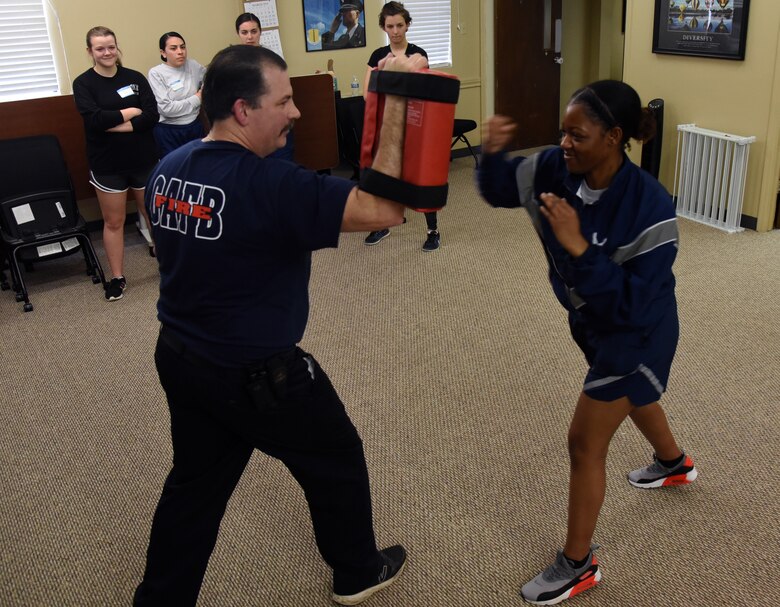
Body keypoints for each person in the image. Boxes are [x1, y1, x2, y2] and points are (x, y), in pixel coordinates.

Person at [134, 44, 429, 606]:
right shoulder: (273, 185)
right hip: (258, 376)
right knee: (337, 457)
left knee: (194, 486)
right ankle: (358, 572)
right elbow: (386, 210)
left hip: (180, 356)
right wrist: (394, 99)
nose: (295, 112)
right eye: (285, 100)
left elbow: (164, 230)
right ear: (243, 110)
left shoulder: (169, 169)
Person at [477, 80, 698, 605]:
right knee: (634, 395)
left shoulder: (651, 205)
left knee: (584, 441)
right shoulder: (557, 166)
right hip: (593, 324)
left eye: (578, 134)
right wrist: (490, 155)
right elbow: (500, 189)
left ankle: (578, 565)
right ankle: (674, 464)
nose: (565, 143)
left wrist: (579, 247)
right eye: (563, 132)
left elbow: (632, 304)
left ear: (615, 137)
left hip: (639, 332)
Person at [73, 26, 159, 301]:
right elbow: (95, 122)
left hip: (143, 159)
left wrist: (118, 122)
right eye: (100, 48)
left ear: (117, 47)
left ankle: (169, 266)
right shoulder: (83, 84)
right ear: (90, 52)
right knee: (114, 222)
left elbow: (152, 116)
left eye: (111, 46)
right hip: (108, 165)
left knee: (154, 215)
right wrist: (130, 111)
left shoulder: (135, 78)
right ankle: (117, 277)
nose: (107, 52)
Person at [362, 1, 440, 252]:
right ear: (384, 28)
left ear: (407, 25)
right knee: (383, 178)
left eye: (399, 25)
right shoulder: (377, 56)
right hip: (388, 128)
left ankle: (433, 231)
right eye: (390, 26)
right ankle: (382, 224)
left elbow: (422, 92)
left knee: (421, 180)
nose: (395, 31)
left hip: (415, 128)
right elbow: (366, 93)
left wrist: (389, 89)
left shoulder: (418, 55)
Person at [148, 32, 207, 158]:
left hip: (194, 126)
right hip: (169, 131)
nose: (180, 52)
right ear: (163, 53)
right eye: (173, 48)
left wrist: (203, 90)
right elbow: (166, 109)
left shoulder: (193, 65)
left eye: (183, 47)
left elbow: (211, 78)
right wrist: (198, 98)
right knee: (174, 170)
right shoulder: (156, 73)